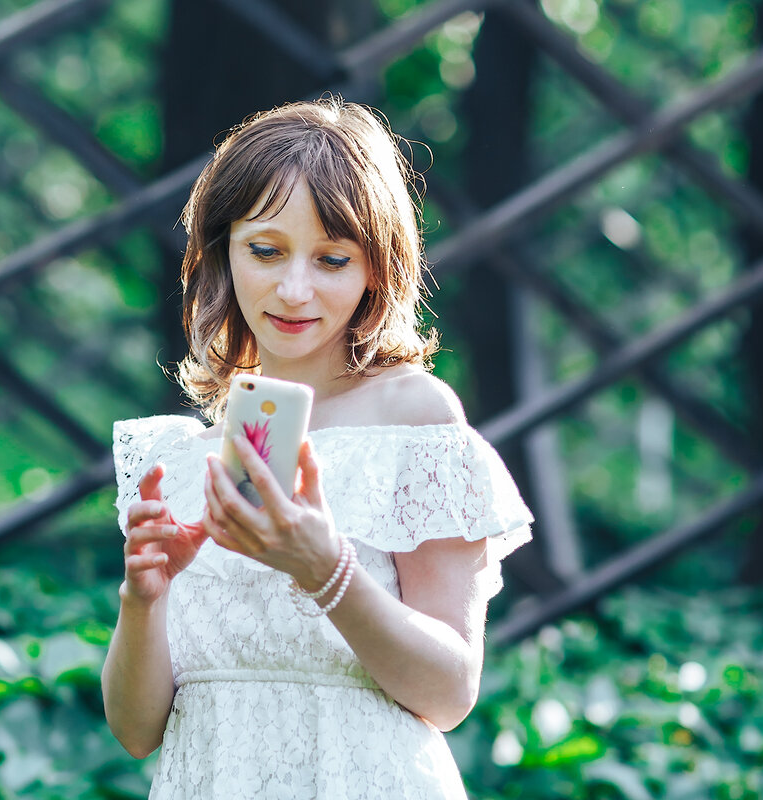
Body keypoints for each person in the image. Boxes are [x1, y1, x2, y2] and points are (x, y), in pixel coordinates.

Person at [101, 96, 533, 799]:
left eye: (332, 259)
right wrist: (144, 597)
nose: (293, 289)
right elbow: (136, 731)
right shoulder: (181, 457)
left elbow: (450, 692)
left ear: (375, 271)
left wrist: (324, 568)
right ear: (221, 250)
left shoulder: (413, 417)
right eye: (265, 250)